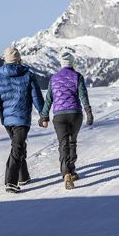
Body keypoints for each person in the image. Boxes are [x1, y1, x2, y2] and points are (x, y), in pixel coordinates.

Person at [0, 46, 44, 193]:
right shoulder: (28, 75)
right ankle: (11, 182)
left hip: (7, 120)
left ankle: (23, 177)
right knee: (17, 148)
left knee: (17, 146)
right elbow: (36, 97)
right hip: (22, 118)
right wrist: (43, 114)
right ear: (18, 59)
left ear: (5, 60)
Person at [39, 51, 94, 190]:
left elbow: (49, 99)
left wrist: (44, 116)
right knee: (72, 142)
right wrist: (89, 113)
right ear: (72, 63)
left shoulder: (54, 78)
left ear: (61, 64)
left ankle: (66, 174)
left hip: (59, 116)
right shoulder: (77, 76)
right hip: (75, 114)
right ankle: (72, 170)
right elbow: (83, 96)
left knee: (63, 144)